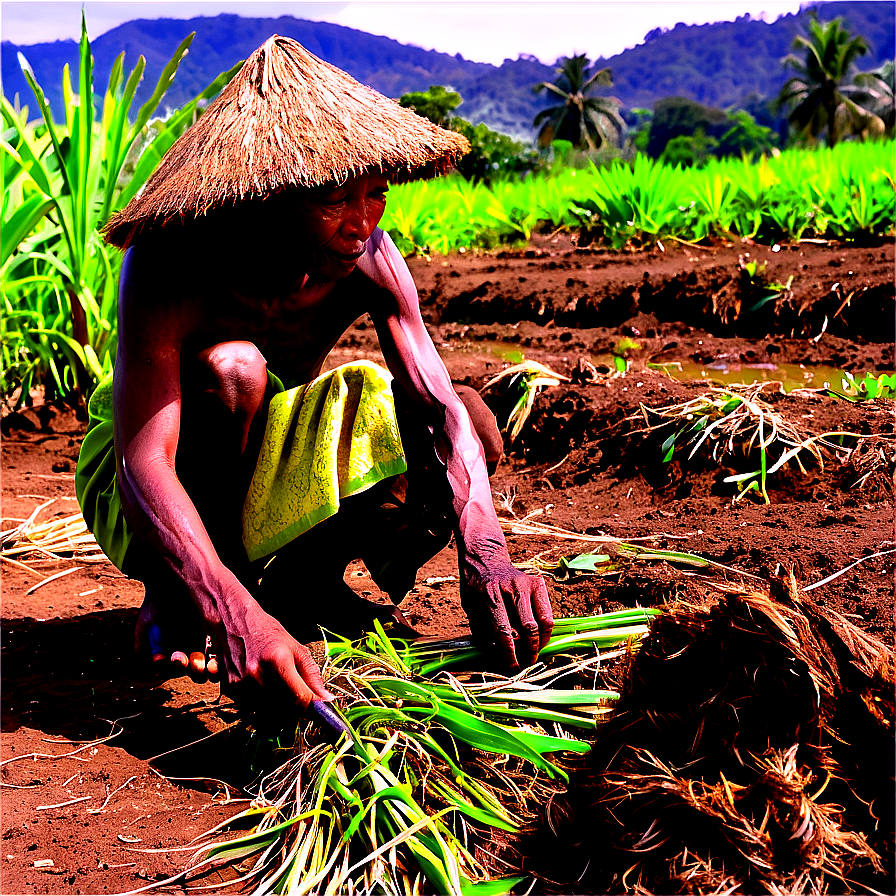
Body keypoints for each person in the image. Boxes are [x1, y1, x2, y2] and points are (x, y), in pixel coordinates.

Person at [76, 35, 553, 714]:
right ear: (267, 194)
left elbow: (438, 408)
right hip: (150, 465)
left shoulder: (369, 256)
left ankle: (302, 585)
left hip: (259, 446)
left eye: (376, 194)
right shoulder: (169, 261)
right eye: (334, 197)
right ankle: (193, 591)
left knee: (469, 418)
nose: (362, 223)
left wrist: (486, 549)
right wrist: (227, 611)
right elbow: (141, 460)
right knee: (233, 368)